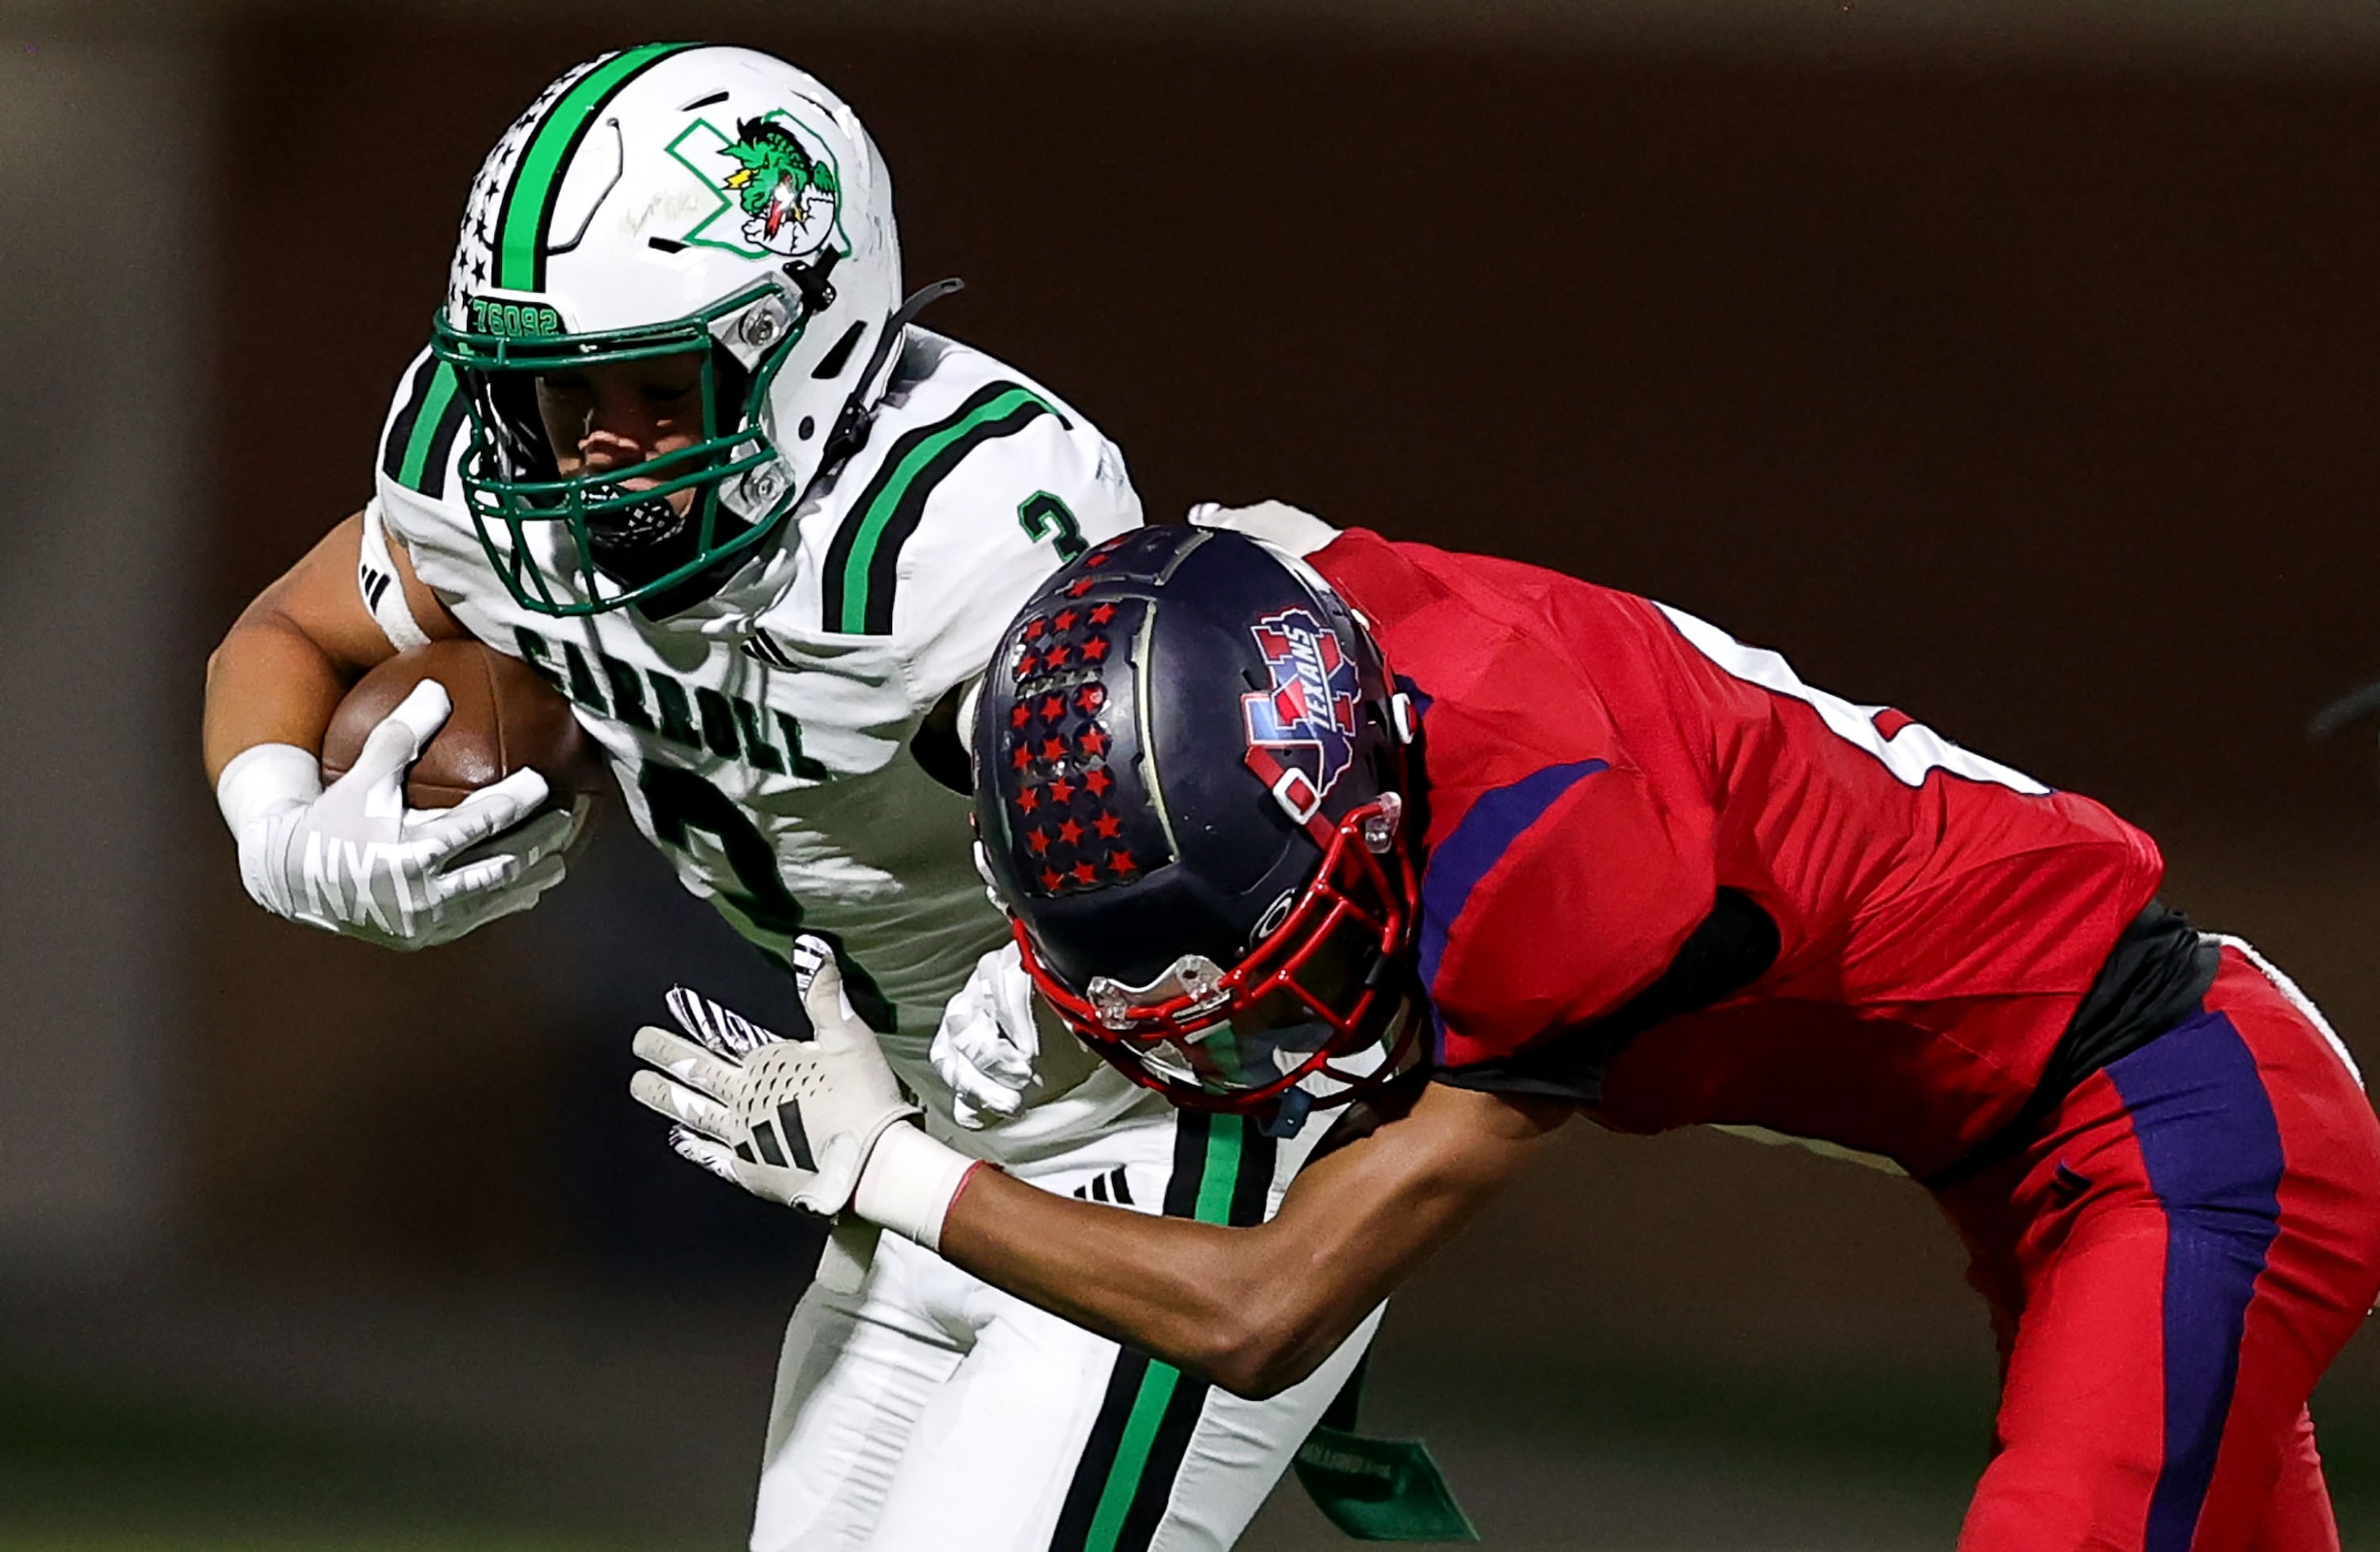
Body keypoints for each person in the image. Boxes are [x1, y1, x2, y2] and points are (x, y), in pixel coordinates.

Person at [633, 519, 2380, 1550]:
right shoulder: (1316, 634)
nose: (1264, 1016)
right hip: (2038, 1176)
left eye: (1284, 951)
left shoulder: (1561, 849)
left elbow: (1262, 1313)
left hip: (2185, 1134)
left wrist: (897, 1172)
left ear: (1374, 816)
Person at [203, 45, 1383, 1551]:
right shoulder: (490, 489)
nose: (597, 454)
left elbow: (1228, 841)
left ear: (806, 346)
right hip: (892, 1144)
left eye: (652, 387)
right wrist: (276, 823)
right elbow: (287, 634)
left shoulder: (960, 534)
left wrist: (1058, 971)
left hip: (1155, 1142)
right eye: (558, 395)